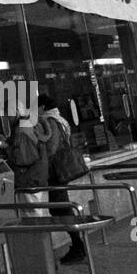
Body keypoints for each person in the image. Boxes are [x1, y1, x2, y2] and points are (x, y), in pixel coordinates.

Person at [40, 94, 87, 264]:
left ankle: (78, 245)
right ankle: (78, 244)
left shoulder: (50, 121)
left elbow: (51, 148)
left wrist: (39, 153)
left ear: (43, 107)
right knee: (61, 207)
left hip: (56, 172)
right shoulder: (59, 119)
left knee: (61, 208)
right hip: (60, 170)